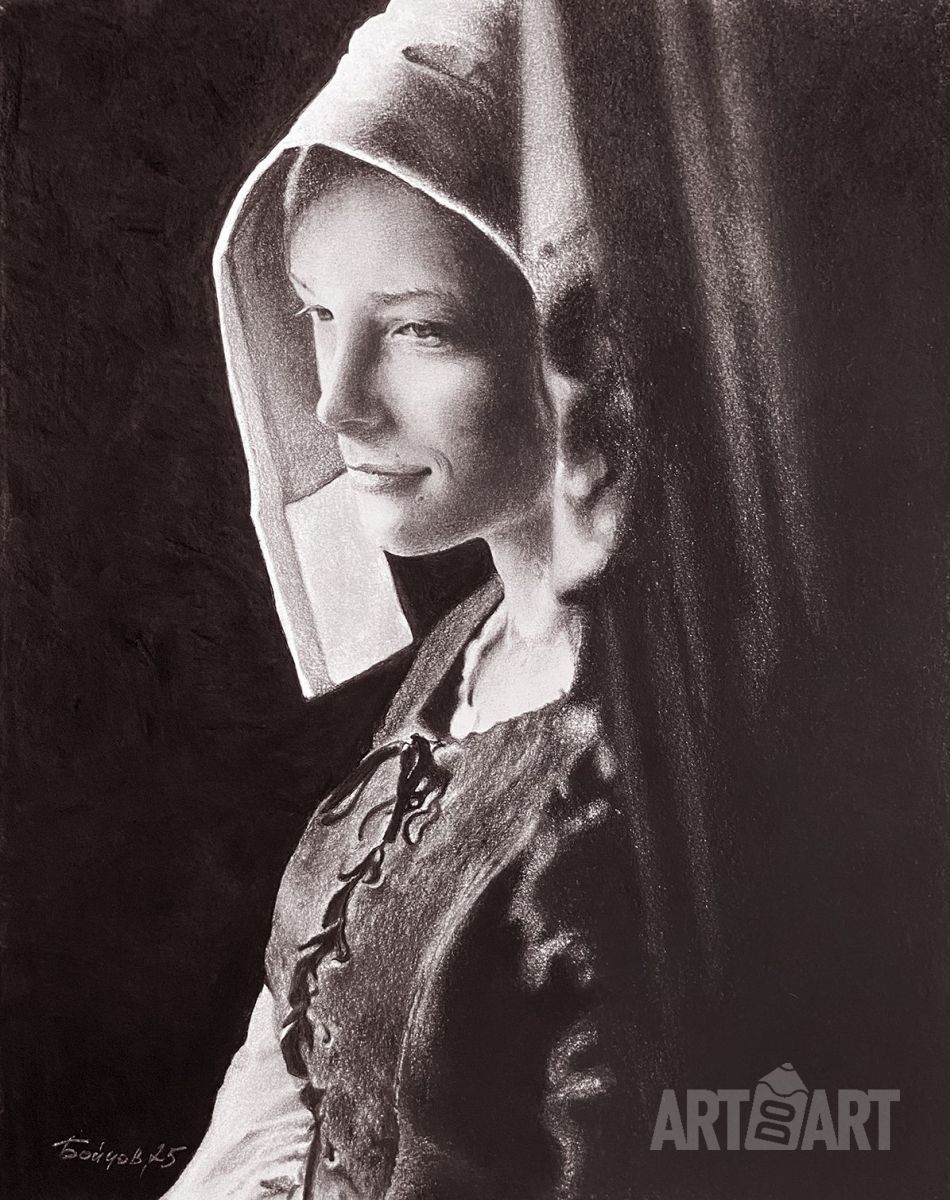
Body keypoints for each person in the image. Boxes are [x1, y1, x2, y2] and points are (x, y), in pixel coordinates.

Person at [162, 2, 643, 1197]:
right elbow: (293, 1059)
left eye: (420, 330)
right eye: (317, 314)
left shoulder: (638, 754)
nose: (334, 400)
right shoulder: (463, 652)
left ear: (571, 344)